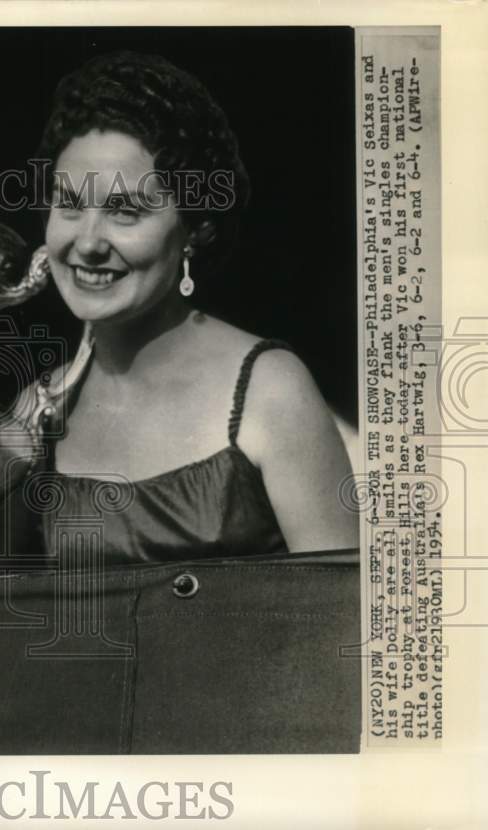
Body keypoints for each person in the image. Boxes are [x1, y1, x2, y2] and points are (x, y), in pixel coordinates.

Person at [32, 52, 358, 563]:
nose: (88, 242)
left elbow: (347, 622)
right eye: (69, 204)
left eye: (125, 211)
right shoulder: (36, 411)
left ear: (196, 228)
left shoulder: (270, 388)